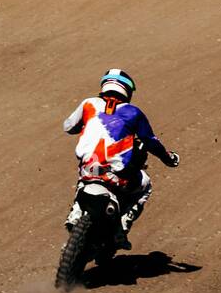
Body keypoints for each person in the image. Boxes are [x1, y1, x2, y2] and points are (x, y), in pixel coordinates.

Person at [63, 69, 180, 250]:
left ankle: (75, 213)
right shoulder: (133, 113)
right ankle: (122, 227)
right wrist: (169, 159)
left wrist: (86, 124)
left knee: (84, 175)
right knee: (145, 185)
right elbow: (150, 141)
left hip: (89, 169)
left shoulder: (89, 104)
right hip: (116, 174)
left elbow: (68, 126)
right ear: (127, 90)